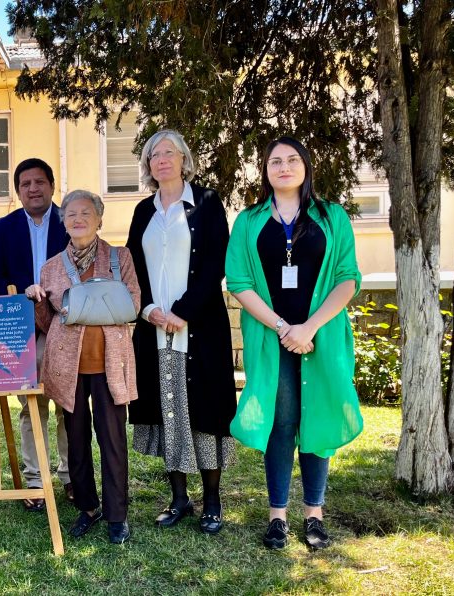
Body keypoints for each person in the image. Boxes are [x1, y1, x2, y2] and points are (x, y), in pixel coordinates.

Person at [226, 136, 362, 550]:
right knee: (281, 424)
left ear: (306, 165)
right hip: (271, 339)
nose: (283, 167)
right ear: (265, 171)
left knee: (317, 420)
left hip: (321, 338)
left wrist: (310, 328)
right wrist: (286, 328)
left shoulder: (332, 216)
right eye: (274, 161)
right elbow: (240, 282)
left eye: (291, 160)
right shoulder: (248, 221)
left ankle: (315, 515)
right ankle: (278, 517)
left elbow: (347, 278)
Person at [126, 130, 237, 535]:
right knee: (168, 411)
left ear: (184, 159)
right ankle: (178, 498)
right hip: (155, 330)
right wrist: (151, 310)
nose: (161, 160)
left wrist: (183, 312)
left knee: (204, 412)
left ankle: (212, 500)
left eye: (168, 152)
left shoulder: (207, 202)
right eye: (154, 155)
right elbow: (132, 266)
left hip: (200, 329)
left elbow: (215, 265)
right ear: (148, 165)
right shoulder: (143, 211)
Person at [25, 189, 140, 545]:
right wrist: (37, 300)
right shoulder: (51, 267)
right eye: (71, 214)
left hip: (110, 362)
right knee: (75, 439)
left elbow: (133, 303)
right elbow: (47, 323)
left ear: (99, 219)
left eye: (86, 213)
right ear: (64, 222)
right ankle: (88, 507)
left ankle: (117, 515)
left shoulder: (119, 258)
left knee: (112, 439)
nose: (78, 219)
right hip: (67, 365)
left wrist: (88, 310)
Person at [0, 158, 72, 511]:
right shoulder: (4, 227)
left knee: (69, 405)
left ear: (52, 186)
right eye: (26, 183)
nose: (33, 189)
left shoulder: (71, 220)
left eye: (40, 181)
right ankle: (35, 481)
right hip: (24, 329)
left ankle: (71, 476)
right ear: (18, 190)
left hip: (69, 326)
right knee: (31, 405)